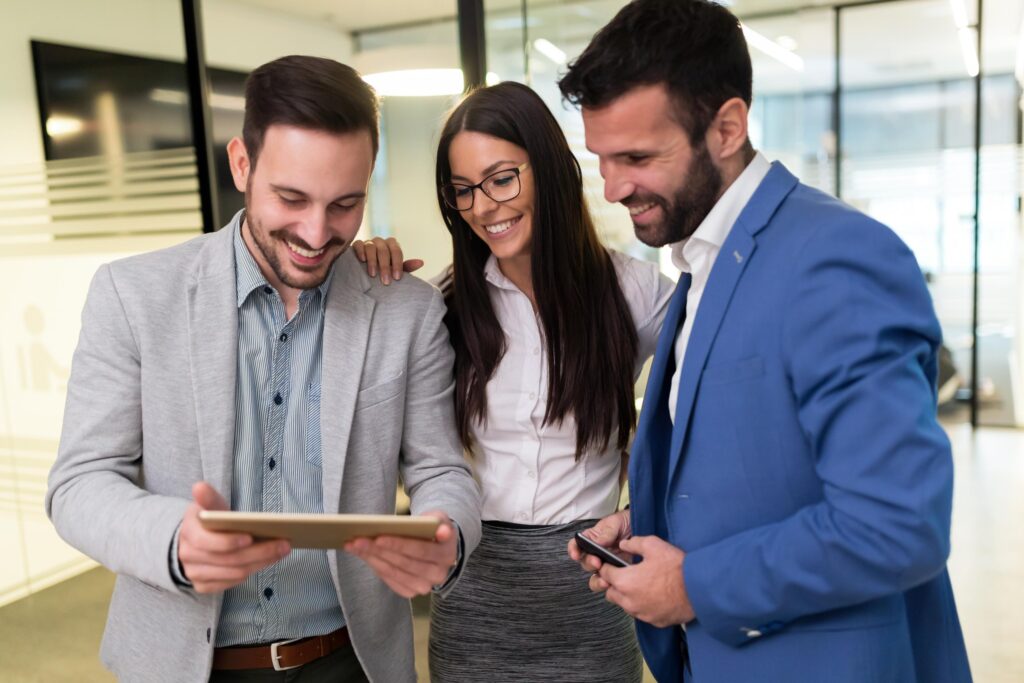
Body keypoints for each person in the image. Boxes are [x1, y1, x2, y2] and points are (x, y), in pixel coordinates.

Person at [558, 1, 973, 681]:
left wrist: (693, 583)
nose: (612, 188)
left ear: (727, 127)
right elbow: (758, 461)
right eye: (600, 159)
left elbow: (897, 523)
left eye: (636, 157)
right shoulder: (704, 259)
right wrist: (649, 521)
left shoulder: (836, 258)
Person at [45, 55, 480, 683]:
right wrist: (174, 539)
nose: (316, 232)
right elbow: (79, 484)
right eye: (292, 198)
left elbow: (442, 469)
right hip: (182, 663)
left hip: (350, 661)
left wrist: (446, 533)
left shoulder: (405, 309)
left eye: (345, 205)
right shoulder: (133, 295)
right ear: (241, 165)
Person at [356, 81, 673, 681]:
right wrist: (360, 270)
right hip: (475, 600)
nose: (484, 206)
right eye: (464, 191)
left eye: (502, 179)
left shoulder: (633, 293)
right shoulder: (446, 304)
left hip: (592, 595)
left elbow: (716, 378)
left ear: (548, 167)